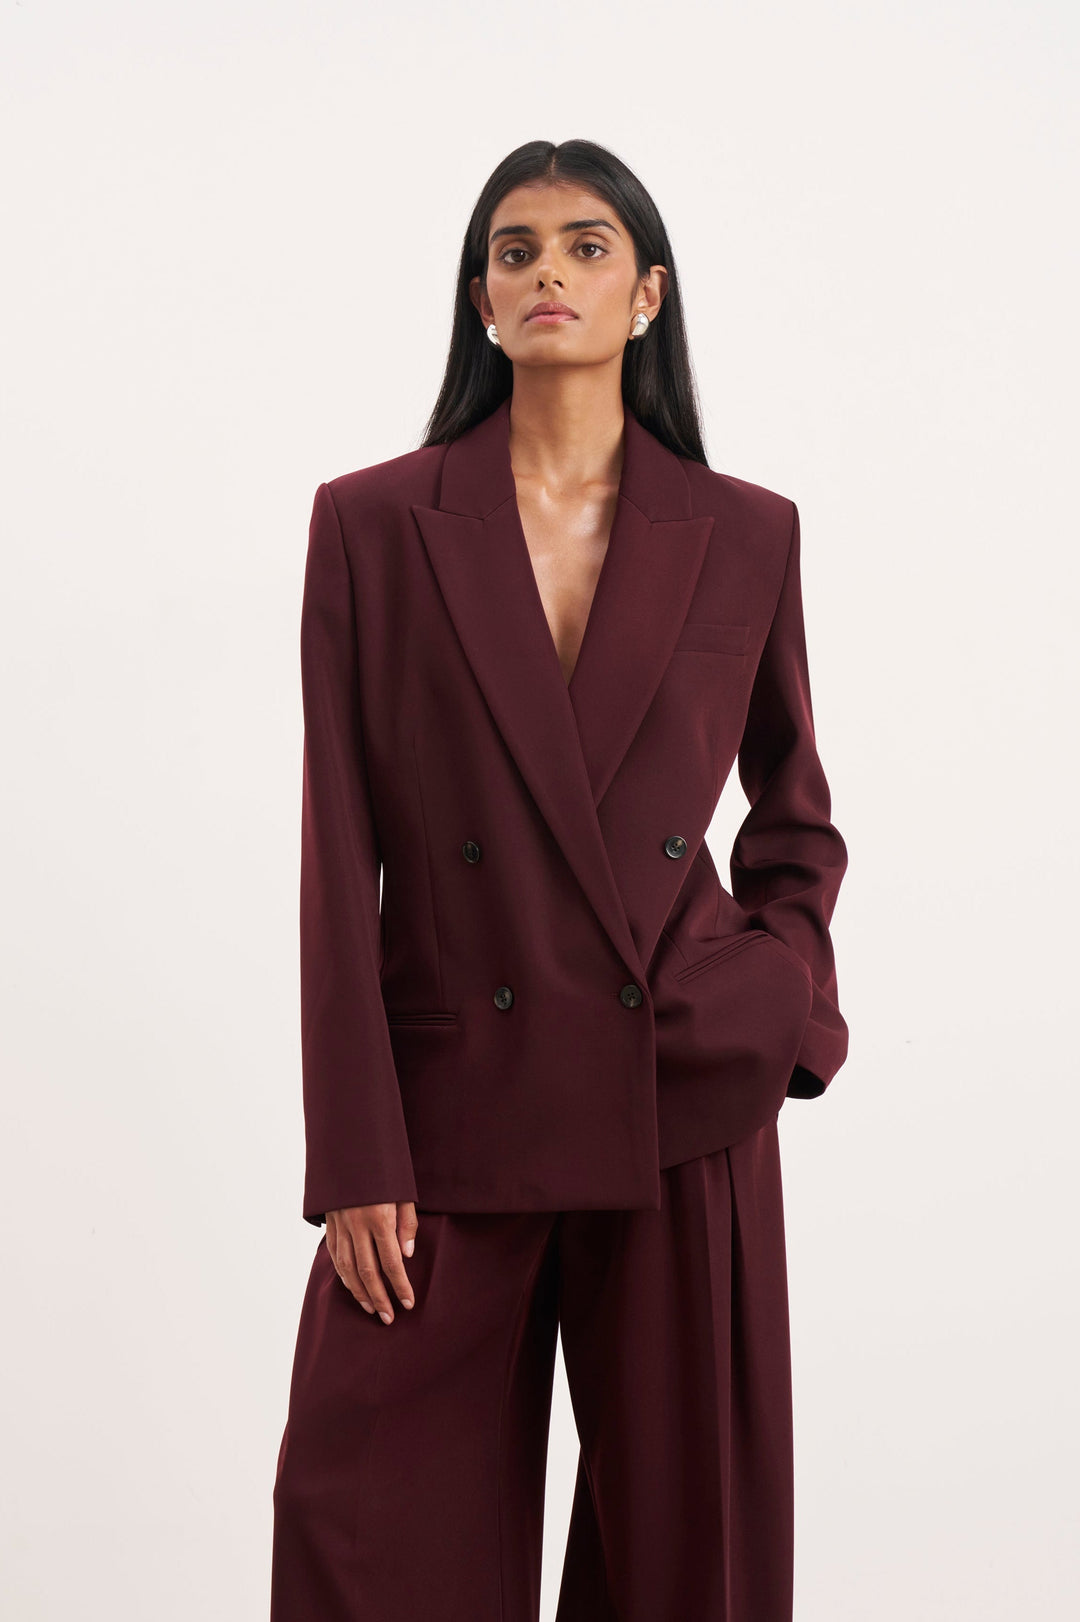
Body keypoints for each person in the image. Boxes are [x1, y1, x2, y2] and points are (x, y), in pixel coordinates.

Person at [270, 137, 849, 1622]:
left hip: (682, 1092)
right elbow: (337, 849)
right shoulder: (373, 523)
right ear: (481, 299)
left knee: (688, 1559)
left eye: (589, 248)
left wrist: (782, 997)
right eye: (516, 251)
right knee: (364, 1533)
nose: (549, 274)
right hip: (448, 1106)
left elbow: (794, 814)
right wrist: (355, 1151)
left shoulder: (748, 531)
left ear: (648, 295)